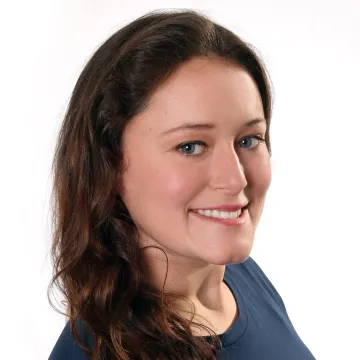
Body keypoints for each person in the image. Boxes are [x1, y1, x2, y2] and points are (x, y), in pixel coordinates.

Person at [48, 9, 316, 360]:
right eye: (190, 146)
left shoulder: (238, 277)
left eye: (249, 140)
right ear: (109, 165)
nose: (236, 179)